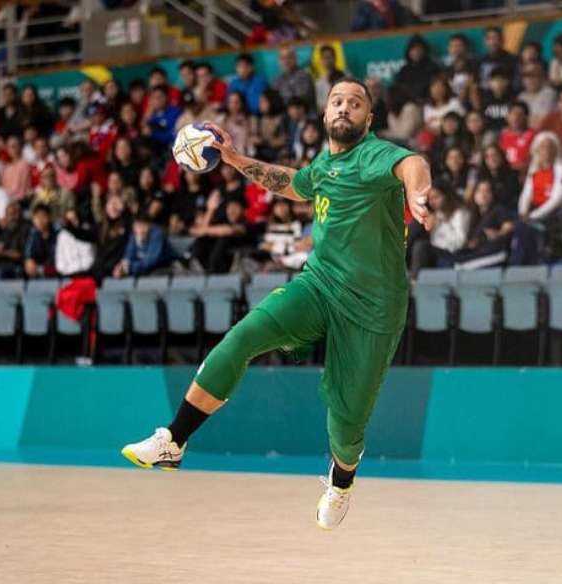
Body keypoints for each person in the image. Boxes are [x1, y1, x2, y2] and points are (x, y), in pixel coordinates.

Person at [121, 77, 433, 530]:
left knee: (346, 428)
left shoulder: (374, 155)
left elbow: (413, 164)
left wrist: (416, 191)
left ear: (369, 118)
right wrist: (232, 158)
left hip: (374, 308)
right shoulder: (325, 164)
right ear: (326, 115)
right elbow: (294, 184)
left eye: (356, 103)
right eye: (337, 101)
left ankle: (341, 481)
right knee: (243, 335)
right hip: (320, 284)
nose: (345, 107)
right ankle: (174, 439)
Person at [115, 213, 175, 278]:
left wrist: (129, 268)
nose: (141, 230)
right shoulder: (133, 236)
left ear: (150, 225)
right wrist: (122, 267)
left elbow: (151, 261)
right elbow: (128, 256)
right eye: (137, 226)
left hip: (163, 267)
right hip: (143, 270)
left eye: (144, 225)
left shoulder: (157, 234)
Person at [394, 34, 441, 103]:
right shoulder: (404, 70)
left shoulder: (433, 68)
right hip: (408, 104)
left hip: (429, 103)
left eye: (419, 49)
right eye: (413, 50)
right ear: (408, 52)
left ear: (424, 50)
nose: (416, 52)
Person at [272, 47, 316, 113]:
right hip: (285, 116)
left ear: (295, 58)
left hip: (305, 115)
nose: (286, 61)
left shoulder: (304, 76)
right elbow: (274, 101)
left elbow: (299, 101)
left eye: (289, 57)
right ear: (279, 61)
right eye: (283, 58)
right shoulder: (277, 79)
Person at [517, 62, 557, 128]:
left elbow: (544, 120)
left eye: (534, 74)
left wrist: (527, 119)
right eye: (526, 75)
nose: (530, 79)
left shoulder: (549, 93)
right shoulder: (521, 97)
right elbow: (518, 122)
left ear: (541, 76)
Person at [23, 203, 57, 278]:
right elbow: (29, 254)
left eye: (43, 217)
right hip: (41, 268)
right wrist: (29, 261)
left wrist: (44, 269)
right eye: (37, 217)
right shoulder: (33, 233)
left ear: (50, 217)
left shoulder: (58, 233)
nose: (40, 221)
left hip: (57, 267)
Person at [315, 45, 345, 112]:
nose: (327, 60)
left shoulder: (346, 77)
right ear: (321, 60)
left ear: (335, 58)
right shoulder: (319, 83)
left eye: (329, 57)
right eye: (324, 58)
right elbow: (320, 105)